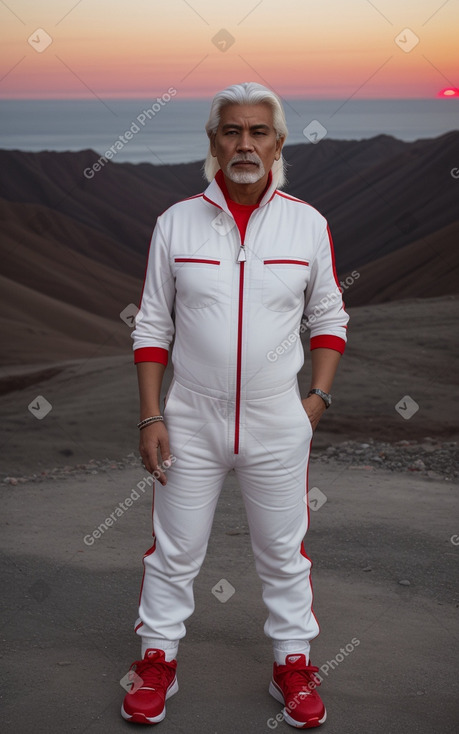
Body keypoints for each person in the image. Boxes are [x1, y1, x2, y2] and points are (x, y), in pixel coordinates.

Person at [121, 81, 349, 729]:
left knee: (282, 551)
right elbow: (151, 327)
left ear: (277, 143)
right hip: (189, 417)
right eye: (231, 131)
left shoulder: (306, 223)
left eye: (257, 132)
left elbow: (329, 317)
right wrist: (151, 414)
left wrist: (315, 402)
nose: (243, 143)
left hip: (280, 419)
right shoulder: (176, 222)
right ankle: (156, 659)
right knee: (174, 549)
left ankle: (293, 665)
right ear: (213, 142)